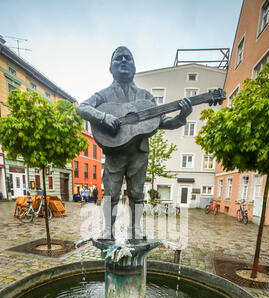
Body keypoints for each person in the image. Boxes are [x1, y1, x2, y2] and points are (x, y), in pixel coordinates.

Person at [77, 46, 192, 239]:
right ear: (110, 68)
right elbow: (82, 108)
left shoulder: (145, 97)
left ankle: (135, 229)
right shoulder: (103, 95)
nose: (123, 61)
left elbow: (162, 122)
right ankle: (108, 230)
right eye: (118, 58)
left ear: (134, 67)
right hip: (114, 151)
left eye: (128, 58)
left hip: (139, 152)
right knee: (111, 192)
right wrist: (103, 117)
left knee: (137, 193)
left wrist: (181, 117)